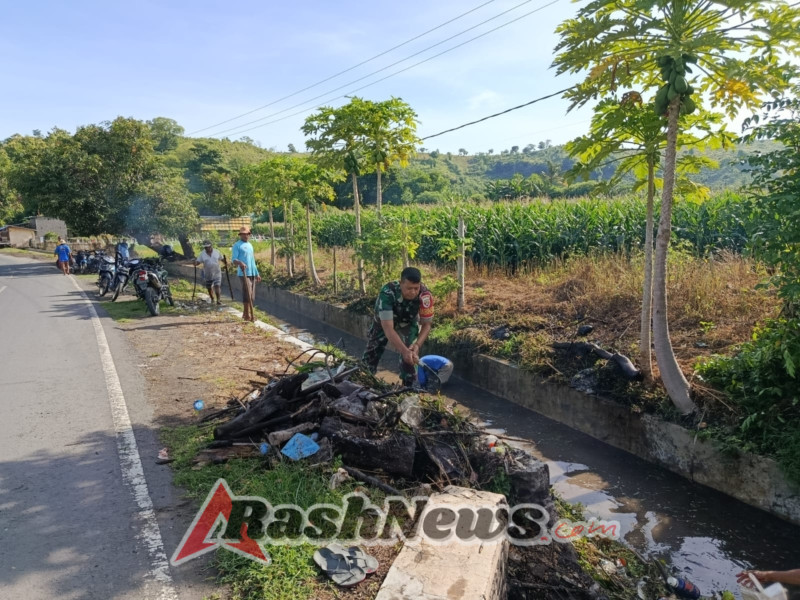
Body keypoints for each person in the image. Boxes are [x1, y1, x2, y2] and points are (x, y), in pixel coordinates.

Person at [362, 267, 434, 387]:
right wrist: (403, 351)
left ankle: (408, 388)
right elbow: (388, 328)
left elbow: (427, 325)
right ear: (401, 284)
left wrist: (416, 345)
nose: (413, 292)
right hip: (384, 322)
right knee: (373, 350)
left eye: (416, 288)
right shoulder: (388, 292)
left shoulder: (425, 295)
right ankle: (363, 381)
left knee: (410, 356)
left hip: (408, 322)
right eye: (409, 288)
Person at [231, 226, 260, 322]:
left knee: (252, 296)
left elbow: (252, 260)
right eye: (243, 234)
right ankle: (247, 315)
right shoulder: (237, 245)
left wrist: (257, 273)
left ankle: (245, 313)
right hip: (243, 273)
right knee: (248, 294)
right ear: (240, 235)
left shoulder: (250, 245)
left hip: (251, 272)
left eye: (246, 234)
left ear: (249, 235)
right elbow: (234, 260)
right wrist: (240, 263)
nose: (245, 236)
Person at [195, 240, 223, 305]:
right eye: (205, 247)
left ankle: (218, 300)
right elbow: (198, 262)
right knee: (209, 287)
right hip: (208, 273)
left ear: (211, 246)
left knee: (217, 285)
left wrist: (225, 262)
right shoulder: (202, 254)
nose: (207, 249)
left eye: (208, 247)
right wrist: (195, 263)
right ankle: (212, 298)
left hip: (217, 272)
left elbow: (221, 258)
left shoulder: (216, 252)